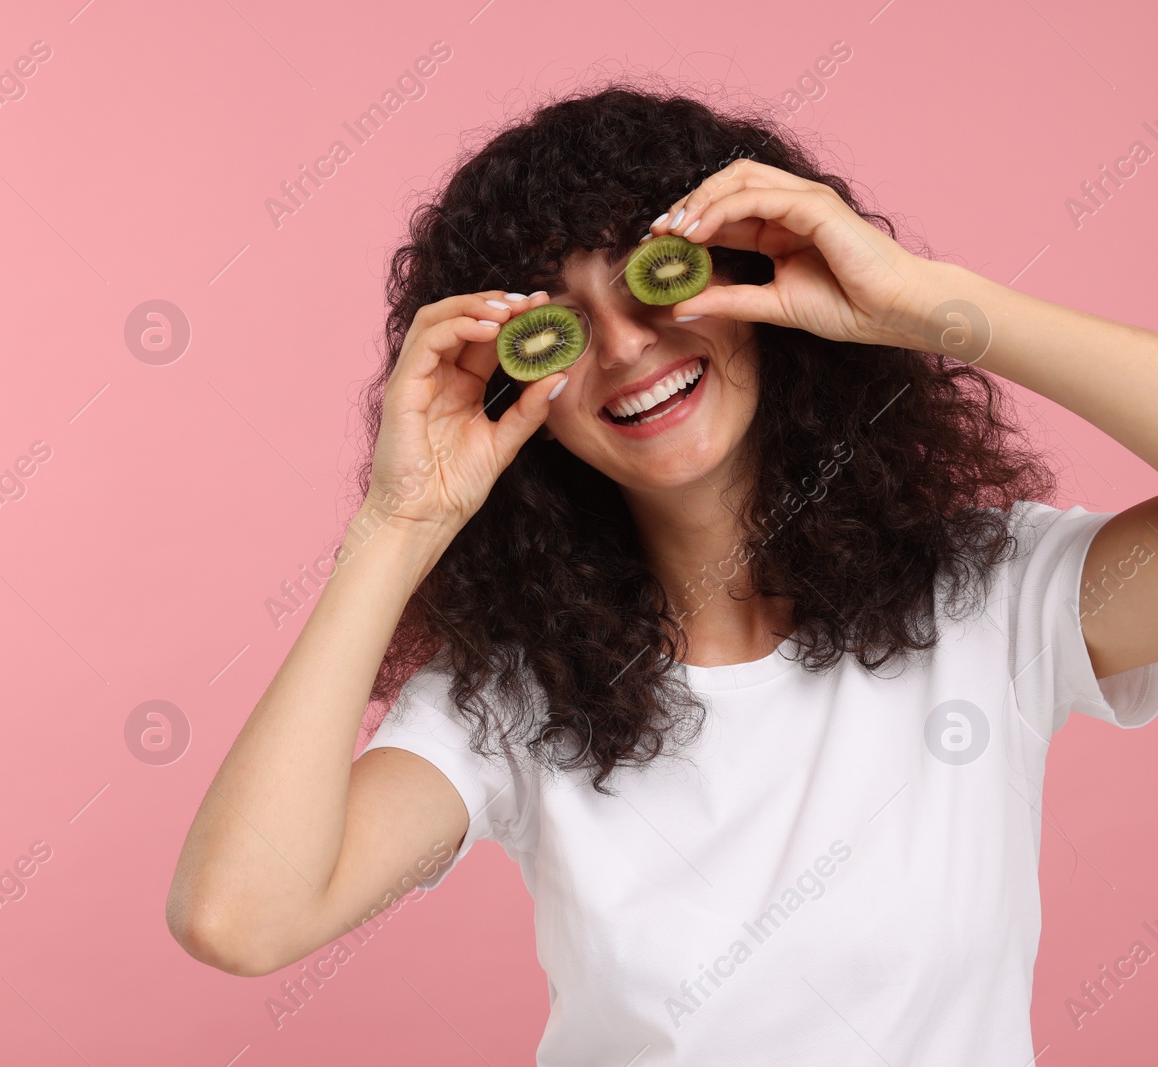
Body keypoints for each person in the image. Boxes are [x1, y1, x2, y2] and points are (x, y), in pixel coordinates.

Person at [166, 85, 1158, 1064]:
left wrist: (923, 303)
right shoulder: (515, 697)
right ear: (521, 386)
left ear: (751, 282)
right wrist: (399, 520)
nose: (628, 346)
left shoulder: (988, 597)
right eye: (562, 325)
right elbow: (241, 916)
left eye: (654, 281)